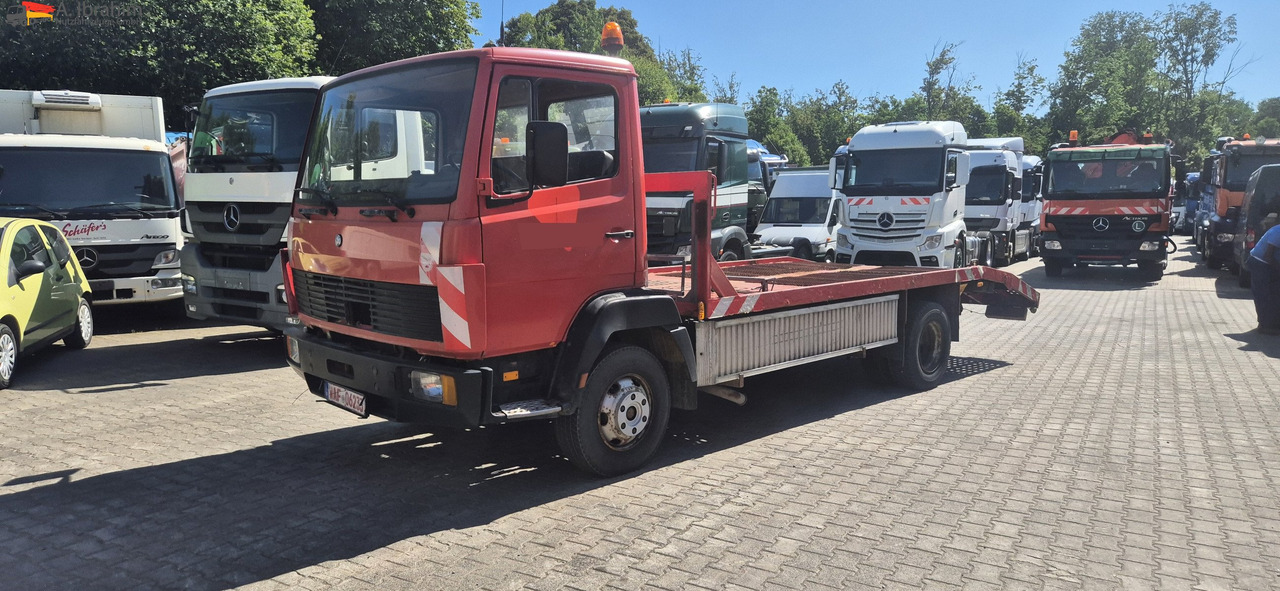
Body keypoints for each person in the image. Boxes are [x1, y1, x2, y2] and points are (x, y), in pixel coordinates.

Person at [1247, 213, 1280, 335]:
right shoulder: (1278, 232)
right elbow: (1268, 256)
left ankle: (1273, 322)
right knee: (1263, 294)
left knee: (1275, 292)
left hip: (1270, 264)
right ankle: (1264, 325)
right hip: (1259, 262)